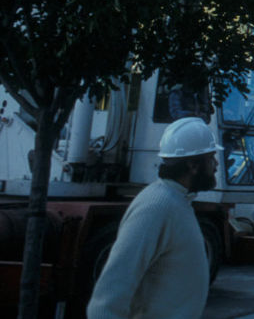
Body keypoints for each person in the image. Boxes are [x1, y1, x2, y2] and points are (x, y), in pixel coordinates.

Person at [87, 117, 221, 319]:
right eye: (211, 158)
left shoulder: (177, 202)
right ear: (193, 165)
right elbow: (110, 294)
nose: (216, 165)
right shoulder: (157, 206)